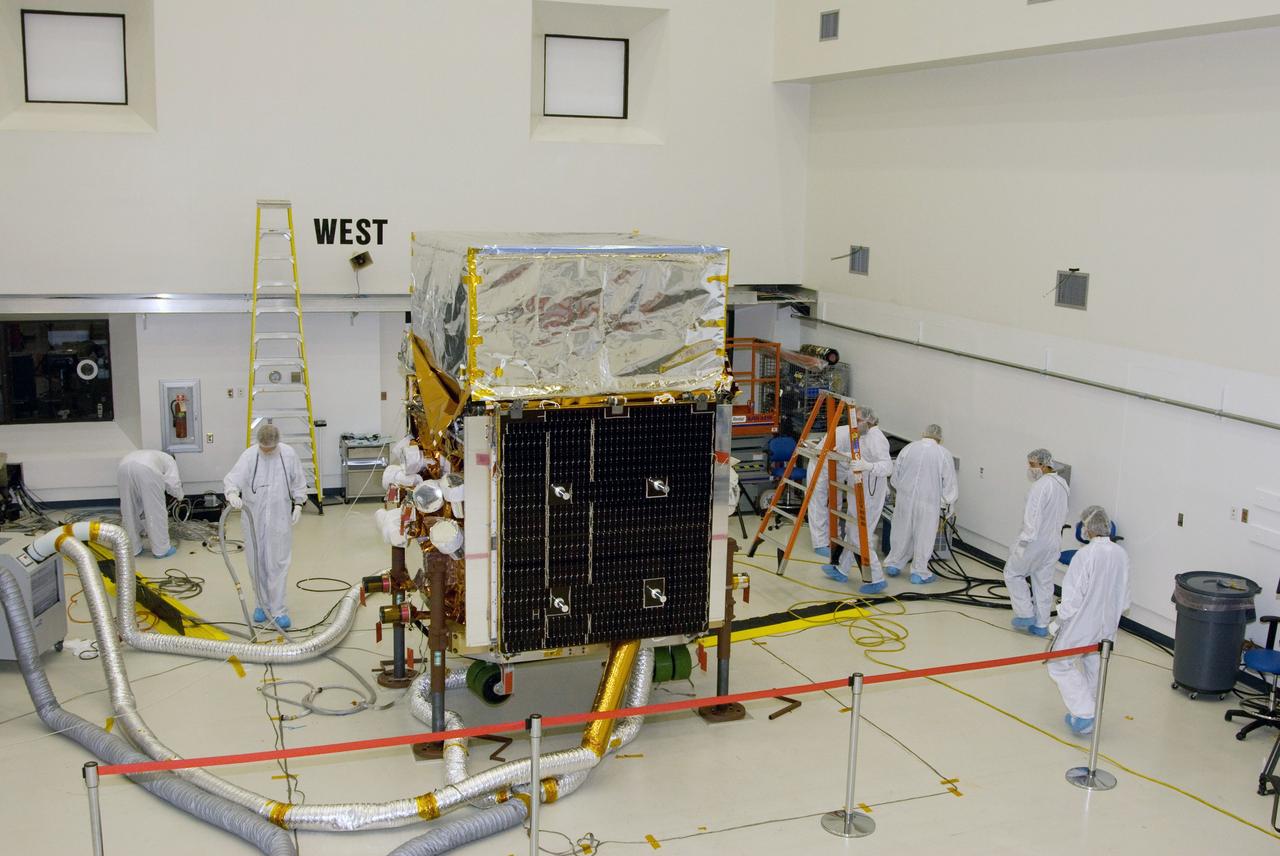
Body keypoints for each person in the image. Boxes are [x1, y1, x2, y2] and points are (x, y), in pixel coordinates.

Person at [1047, 506, 1130, 735]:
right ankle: (1091, 709)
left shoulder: (1085, 555)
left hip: (1081, 625)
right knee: (1095, 665)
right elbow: (1124, 598)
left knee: (1058, 664)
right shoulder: (1120, 554)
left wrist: (1058, 621)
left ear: (1087, 528)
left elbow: (1073, 597)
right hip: (1108, 626)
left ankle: (1085, 713)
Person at [224, 424, 307, 628]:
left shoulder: (288, 455)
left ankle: (278, 609)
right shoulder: (249, 456)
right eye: (264, 448)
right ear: (259, 443)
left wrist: (298, 504)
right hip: (253, 518)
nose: (267, 451)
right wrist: (232, 494)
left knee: (278, 563)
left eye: (270, 448)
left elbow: (299, 482)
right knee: (256, 562)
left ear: (277, 443)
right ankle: (261, 604)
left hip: (279, 518)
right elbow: (232, 479)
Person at [814, 408, 895, 590]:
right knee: (851, 529)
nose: (854, 424)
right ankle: (842, 569)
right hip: (858, 489)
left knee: (860, 535)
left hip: (870, 493)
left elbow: (887, 467)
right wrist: (842, 455)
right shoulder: (863, 435)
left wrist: (868, 466)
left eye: (857, 420)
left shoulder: (877, 438)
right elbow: (859, 455)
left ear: (869, 421)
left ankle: (876, 578)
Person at [1004, 448, 1070, 637]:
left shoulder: (1040, 486)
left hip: (1035, 541)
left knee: (1012, 573)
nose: (1030, 469)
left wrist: (1023, 544)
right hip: (1054, 542)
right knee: (1043, 582)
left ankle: (1025, 614)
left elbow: (1031, 517)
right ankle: (1042, 624)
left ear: (1043, 465)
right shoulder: (1062, 483)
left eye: (1032, 465)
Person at [884, 424, 958, 585]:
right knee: (924, 536)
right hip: (928, 503)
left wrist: (902, 491)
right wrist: (949, 503)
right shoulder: (943, 454)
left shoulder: (909, 448)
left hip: (905, 499)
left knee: (901, 531)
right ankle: (919, 572)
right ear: (940, 438)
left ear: (923, 433)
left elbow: (895, 476)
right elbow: (949, 482)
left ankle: (893, 564)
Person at [116, 450, 184, 558]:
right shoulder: (170, 459)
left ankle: (133, 549)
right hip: (147, 469)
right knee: (156, 511)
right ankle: (161, 550)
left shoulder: (152, 454)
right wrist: (180, 496)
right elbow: (173, 482)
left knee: (128, 509)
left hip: (123, 467)